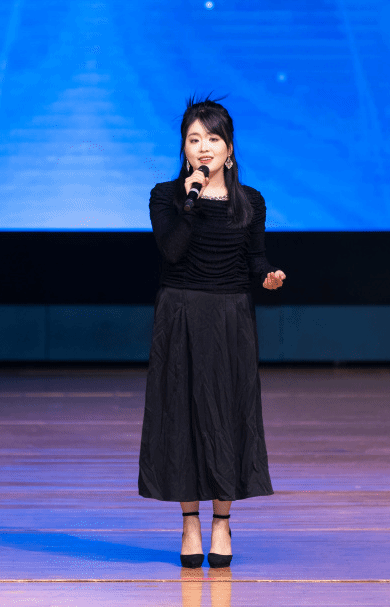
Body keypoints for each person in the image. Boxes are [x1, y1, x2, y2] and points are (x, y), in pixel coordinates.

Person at [138, 95, 286, 569]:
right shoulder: (166, 196)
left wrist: (268, 275)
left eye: (213, 139)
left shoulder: (251, 201)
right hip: (180, 313)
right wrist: (191, 201)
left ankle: (222, 521)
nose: (204, 148)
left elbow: (255, 258)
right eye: (194, 139)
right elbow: (172, 251)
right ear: (183, 148)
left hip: (230, 317)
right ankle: (189, 523)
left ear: (229, 148)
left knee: (227, 414)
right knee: (181, 415)